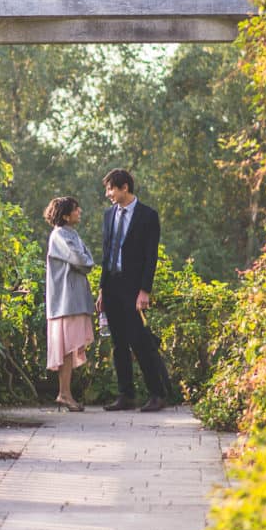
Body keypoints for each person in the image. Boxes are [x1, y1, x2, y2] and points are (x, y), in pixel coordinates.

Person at [96, 168, 169, 412]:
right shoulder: (109, 215)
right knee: (119, 344)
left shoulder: (147, 216)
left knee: (140, 341)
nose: (108, 194)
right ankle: (126, 395)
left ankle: (157, 394)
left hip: (134, 288)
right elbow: (106, 254)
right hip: (112, 286)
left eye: (111, 189)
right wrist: (101, 290)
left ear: (124, 187)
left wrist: (144, 291)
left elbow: (151, 257)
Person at [44, 195, 96, 412]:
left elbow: (87, 258)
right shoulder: (60, 236)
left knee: (68, 348)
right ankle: (64, 394)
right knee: (66, 348)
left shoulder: (71, 234)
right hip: (65, 302)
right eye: (76, 209)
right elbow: (82, 259)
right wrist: (86, 260)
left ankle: (65, 393)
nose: (80, 211)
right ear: (65, 215)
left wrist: (86, 260)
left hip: (72, 301)